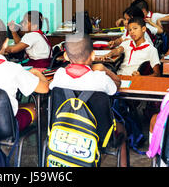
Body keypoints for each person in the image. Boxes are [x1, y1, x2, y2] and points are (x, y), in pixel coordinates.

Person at [50, 34, 128, 167]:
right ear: (92, 55)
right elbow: (117, 86)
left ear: (66, 57)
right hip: (98, 135)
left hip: (64, 132)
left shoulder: (59, 76)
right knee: (122, 129)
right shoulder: (100, 79)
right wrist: (104, 70)